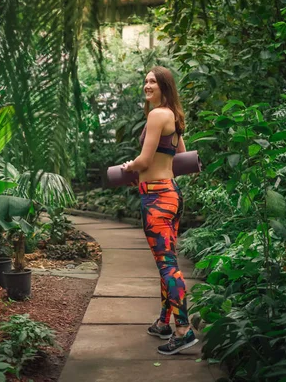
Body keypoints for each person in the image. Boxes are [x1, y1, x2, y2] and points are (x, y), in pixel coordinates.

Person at [121, 66, 198, 355]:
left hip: (156, 198)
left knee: (167, 265)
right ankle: (165, 322)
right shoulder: (174, 117)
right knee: (166, 261)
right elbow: (182, 159)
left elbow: (143, 160)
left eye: (152, 81)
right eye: (145, 81)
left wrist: (129, 167)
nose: (147, 85)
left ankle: (183, 329)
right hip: (171, 195)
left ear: (165, 85)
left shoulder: (156, 115)